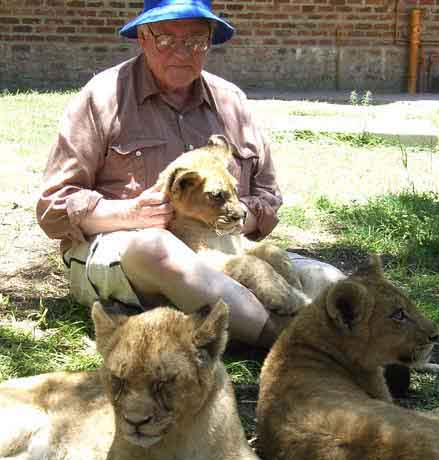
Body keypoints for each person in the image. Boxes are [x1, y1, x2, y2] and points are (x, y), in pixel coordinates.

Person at [37, 0, 343, 348]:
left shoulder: (232, 102)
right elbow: (53, 209)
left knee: (327, 278)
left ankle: (369, 344)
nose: (182, 52)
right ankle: (303, 349)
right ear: (142, 36)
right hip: (130, 246)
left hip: (225, 244)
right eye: (166, 38)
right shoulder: (102, 98)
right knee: (159, 249)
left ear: (211, 40)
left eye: (196, 41)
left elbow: (268, 197)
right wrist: (130, 213)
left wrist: (231, 217)